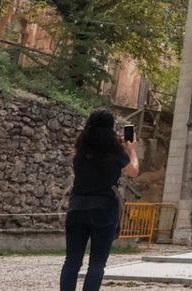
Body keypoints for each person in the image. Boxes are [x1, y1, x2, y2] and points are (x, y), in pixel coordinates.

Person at [59, 109, 140, 291]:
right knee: (97, 263)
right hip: (103, 209)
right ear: (111, 129)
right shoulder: (115, 153)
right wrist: (132, 150)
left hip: (77, 206)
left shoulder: (80, 152)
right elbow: (133, 171)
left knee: (72, 260)